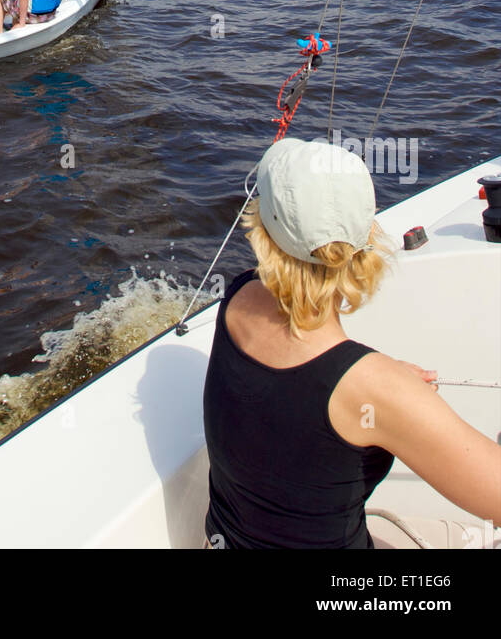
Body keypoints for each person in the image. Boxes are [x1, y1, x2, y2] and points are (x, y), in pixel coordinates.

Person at [203, 137, 501, 549]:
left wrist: (379, 384)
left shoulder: (237, 298)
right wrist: (388, 393)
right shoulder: (375, 390)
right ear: (365, 235)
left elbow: (298, 392)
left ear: (264, 233)